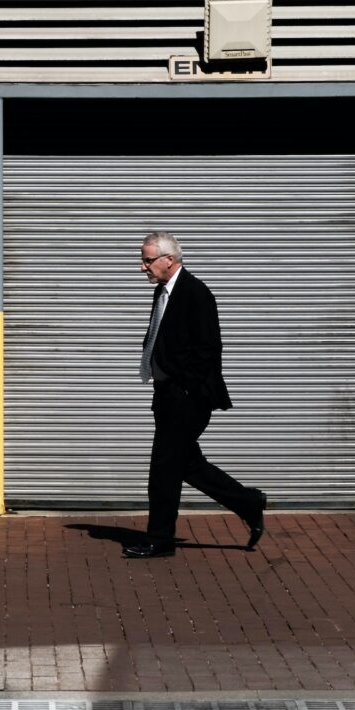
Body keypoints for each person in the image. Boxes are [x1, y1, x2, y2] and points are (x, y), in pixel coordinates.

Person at [123, 231, 267, 559]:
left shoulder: (195, 293)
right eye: (142, 259)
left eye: (147, 260)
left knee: (163, 468)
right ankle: (248, 502)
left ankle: (159, 540)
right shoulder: (164, 292)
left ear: (168, 260)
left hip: (187, 397)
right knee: (186, 463)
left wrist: (183, 387)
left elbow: (208, 350)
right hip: (167, 395)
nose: (141, 267)